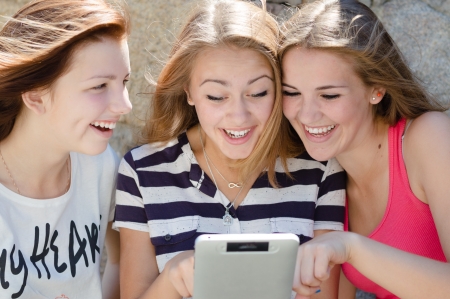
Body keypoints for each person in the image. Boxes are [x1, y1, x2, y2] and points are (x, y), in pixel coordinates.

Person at [113, 0, 346, 298]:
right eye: (216, 96)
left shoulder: (320, 169)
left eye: (258, 92)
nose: (239, 116)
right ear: (189, 92)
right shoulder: (142, 171)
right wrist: (172, 278)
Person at [278, 0, 450, 298]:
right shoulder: (328, 180)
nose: (306, 115)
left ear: (376, 88)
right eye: (292, 93)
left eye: (329, 95)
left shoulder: (426, 138)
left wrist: (350, 248)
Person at [0, 0, 131, 298]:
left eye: (124, 82)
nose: (125, 105)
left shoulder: (100, 166)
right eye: (99, 86)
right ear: (35, 97)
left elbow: (122, 259)